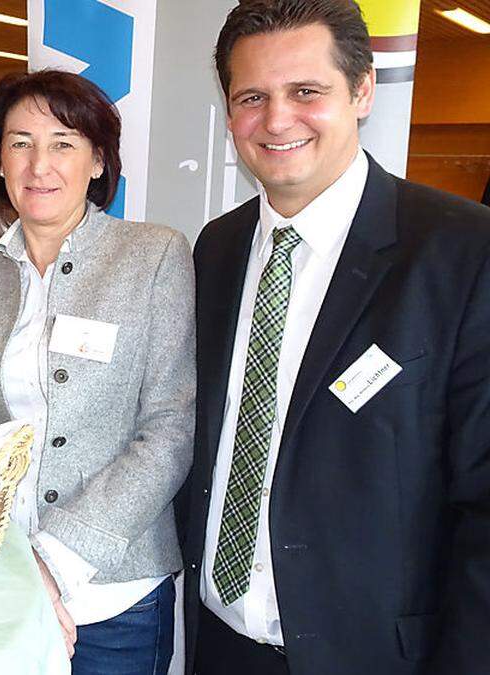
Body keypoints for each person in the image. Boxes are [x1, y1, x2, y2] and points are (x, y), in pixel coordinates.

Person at [178, 2, 490, 674]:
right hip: (219, 642)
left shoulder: (462, 251)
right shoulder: (218, 248)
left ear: (363, 90)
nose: (277, 118)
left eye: (306, 92)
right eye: (251, 96)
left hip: (375, 654)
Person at [0, 70, 194, 675]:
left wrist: (55, 557)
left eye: (63, 143)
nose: (38, 165)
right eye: (20, 143)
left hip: (114, 590)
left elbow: (170, 431)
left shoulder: (153, 257)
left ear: (98, 161)